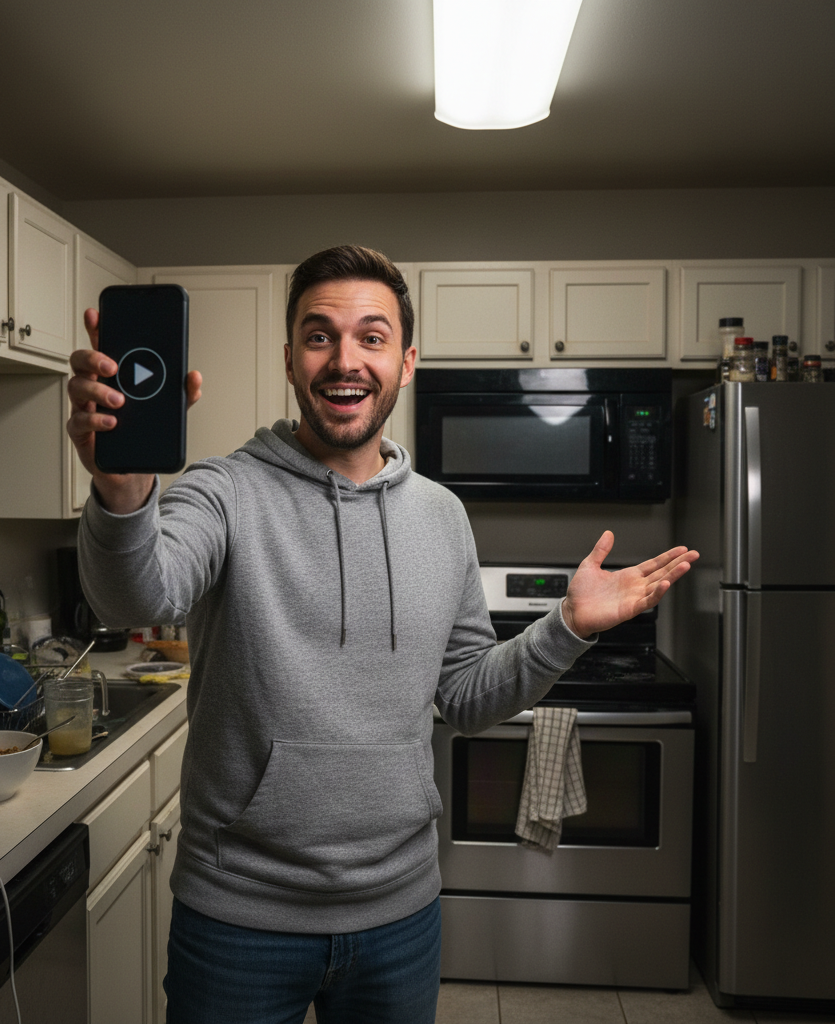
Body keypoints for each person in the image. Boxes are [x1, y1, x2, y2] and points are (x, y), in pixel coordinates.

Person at [66, 245, 698, 1024]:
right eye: (319, 334)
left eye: (372, 336)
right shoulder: (222, 490)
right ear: (291, 360)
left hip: (400, 915)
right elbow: (136, 594)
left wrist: (566, 626)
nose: (345, 360)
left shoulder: (442, 516)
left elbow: (465, 697)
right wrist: (123, 493)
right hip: (239, 917)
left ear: (406, 361)